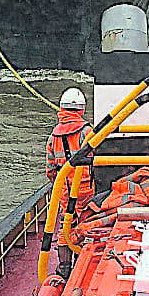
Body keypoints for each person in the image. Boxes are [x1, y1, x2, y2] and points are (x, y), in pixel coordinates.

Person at [45, 87, 94, 278]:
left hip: (65, 190)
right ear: (82, 110)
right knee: (86, 222)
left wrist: (61, 185)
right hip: (86, 188)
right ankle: (83, 263)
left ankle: (65, 266)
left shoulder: (53, 136)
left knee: (66, 224)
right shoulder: (87, 132)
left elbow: (50, 169)